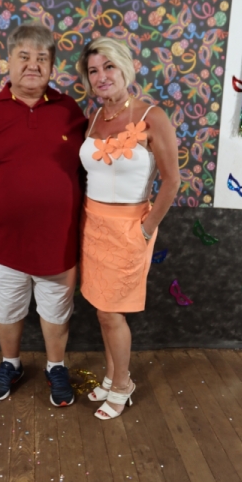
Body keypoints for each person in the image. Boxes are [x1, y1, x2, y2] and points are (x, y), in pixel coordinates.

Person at [0, 23, 87, 407]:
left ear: (52, 66)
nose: (33, 65)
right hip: (2, 244)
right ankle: (10, 363)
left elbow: (91, 174)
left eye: (42, 58)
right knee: (7, 310)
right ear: (8, 62)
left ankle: (56, 366)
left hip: (59, 245)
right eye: (24, 56)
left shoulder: (70, 112)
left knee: (56, 312)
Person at [78, 37, 180, 420]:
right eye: (93, 70)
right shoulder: (94, 117)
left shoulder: (152, 116)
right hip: (92, 226)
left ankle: (122, 385)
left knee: (110, 314)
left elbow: (172, 181)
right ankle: (111, 376)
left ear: (126, 67)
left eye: (108, 66)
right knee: (101, 309)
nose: (101, 76)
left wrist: (146, 229)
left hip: (128, 229)